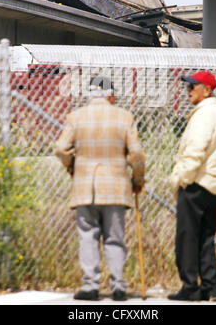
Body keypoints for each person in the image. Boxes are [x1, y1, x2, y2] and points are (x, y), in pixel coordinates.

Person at [55, 75, 145, 301]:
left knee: (88, 237)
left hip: (85, 187)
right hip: (116, 188)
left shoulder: (76, 117)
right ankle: (118, 286)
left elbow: (60, 148)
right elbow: (136, 154)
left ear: (90, 94)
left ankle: (90, 286)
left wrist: (71, 165)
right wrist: (137, 179)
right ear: (110, 95)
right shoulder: (124, 117)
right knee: (115, 238)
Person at [168, 70, 216, 301]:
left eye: (193, 86)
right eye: (188, 86)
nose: (188, 90)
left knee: (187, 236)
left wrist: (180, 178)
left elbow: (195, 150)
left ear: (207, 90)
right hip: (213, 186)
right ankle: (210, 286)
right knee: (205, 236)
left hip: (196, 182)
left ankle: (190, 287)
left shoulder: (204, 115)